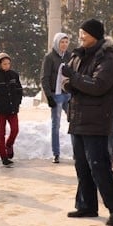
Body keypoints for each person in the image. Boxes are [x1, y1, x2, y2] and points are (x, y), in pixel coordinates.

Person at [61, 19, 113, 225]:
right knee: (81, 165)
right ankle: (86, 205)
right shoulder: (79, 55)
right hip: (78, 117)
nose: (81, 37)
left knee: (99, 166)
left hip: (97, 120)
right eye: (80, 33)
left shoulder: (108, 58)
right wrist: (69, 84)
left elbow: (98, 85)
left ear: (95, 36)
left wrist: (74, 78)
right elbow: (72, 82)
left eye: (85, 34)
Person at [0, 52, 24, 166]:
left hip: (13, 109)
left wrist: (17, 102)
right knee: (1, 133)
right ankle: (3, 156)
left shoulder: (14, 75)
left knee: (15, 130)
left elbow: (19, 90)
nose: (7, 66)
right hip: (1, 111)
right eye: (4, 64)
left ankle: (9, 145)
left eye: (8, 63)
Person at [41, 32, 71, 164]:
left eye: (66, 42)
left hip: (68, 94)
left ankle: (79, 151)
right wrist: (49, 96)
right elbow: (44, 78)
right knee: (56, 125)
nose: (64, 45)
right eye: (62, 42)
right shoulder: (50, 57)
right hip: (56, 94)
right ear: (56, 43)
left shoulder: (70, 56)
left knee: (75, 122)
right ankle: (56, 153)